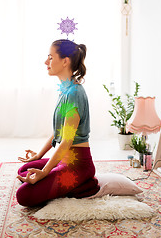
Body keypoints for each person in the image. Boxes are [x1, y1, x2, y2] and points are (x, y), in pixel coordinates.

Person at [16, 39, 100, 207]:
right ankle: (61, 174)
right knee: (24, 170)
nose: (46, 62)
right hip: (65, 159)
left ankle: (85, 183)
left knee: (23, 195)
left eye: (50, 57)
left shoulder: (74, 94)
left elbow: (67, 141)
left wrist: (46, 171)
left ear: (65, 61)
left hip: (78, 164)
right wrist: (39, 155)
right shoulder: (65, 90)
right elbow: (58, 133)